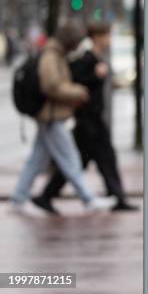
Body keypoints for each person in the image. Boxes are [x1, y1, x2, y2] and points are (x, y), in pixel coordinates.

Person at [36, 23, 138, 212]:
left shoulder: (96, 59)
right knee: (85, 160)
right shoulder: (87, 59)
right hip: (88, 120)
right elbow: (72, 82)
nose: (109, 40)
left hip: (93, 119)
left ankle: (116, 196)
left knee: (95, 159)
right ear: (97, 37)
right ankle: (48, 195)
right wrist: (95, 76)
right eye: (106, 36)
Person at [11, 23, 111, 214]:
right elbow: (51, 86)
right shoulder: (51, 56)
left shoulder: (54, 54)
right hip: (51, 117)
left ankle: (19, 197)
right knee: (70, 157)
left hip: (50, 116)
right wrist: (77, 92)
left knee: (36, 160)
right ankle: (87, 198)